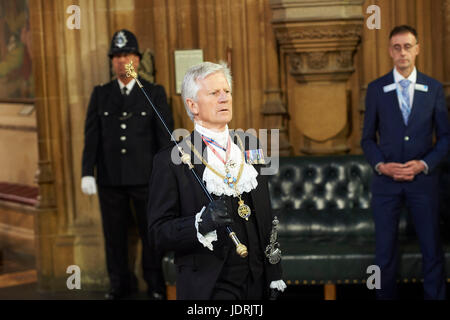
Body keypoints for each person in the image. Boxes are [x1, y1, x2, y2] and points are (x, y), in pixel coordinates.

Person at [147, 61, 286, 300]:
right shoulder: (171, 159)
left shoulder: (250, 145)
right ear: (193, 105)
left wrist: (274, 272)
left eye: (227, 91)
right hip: (211, 285)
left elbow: (266, 217)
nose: (224, 98)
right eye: (214, 93)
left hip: (257, 280)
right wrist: (200, 223)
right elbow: (158, 233)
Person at [81, 29, 174, 300]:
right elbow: (92, 137)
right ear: (112, 61)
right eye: (117, 56)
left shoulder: (153, 92)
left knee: (151, 233)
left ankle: (155, 284)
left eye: (127, 55)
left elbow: (165, 138)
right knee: (114, 236)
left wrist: (166, 176)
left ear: (138, 58)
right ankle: (119, 284)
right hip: (110, 179)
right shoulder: (101, 94)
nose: (122, 61)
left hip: (147, 179)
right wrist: (88, 172)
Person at [361, 25, 449, 300]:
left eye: (407, 46)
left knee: (432, 249)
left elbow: (445, 138)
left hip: (423, 182)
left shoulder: (433, 88)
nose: (402, 52)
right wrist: (381, 166)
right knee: (384, 253)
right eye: (396, 47)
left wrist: (424, 164)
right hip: (386, 183)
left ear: (417, 49)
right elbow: (367, 139)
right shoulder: (376, 89)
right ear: (390, 51)